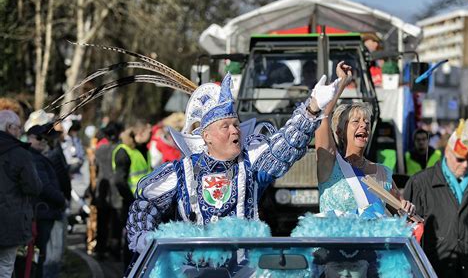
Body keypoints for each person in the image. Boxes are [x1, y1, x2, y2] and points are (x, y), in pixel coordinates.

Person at [126, 71, 337, 253]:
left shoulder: (250, 162)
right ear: (206, 136)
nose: (235, 130)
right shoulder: (182, 170)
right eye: (225, 126)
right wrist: (145, 239)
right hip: (194, 275)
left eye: (236, 124)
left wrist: (312, 108)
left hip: (247, 274)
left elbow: (285, 146)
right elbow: (145, 203)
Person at [315, 61, 414, 218]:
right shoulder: (330, 165)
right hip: (335, 242)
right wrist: (342, 82)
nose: (364, 126)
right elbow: (322, 119)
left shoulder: (382, 172)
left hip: (372, 243)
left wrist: (407, 208)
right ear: (340, 132)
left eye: (366, 122)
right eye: (356, 122)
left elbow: (402, 213)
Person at [404, 119, 468, 278]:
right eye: (461, 159)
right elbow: (407, 234)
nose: (465, 165)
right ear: (448, 153)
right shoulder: (420, 183)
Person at [0, 110, 42, 278]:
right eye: (17, 128)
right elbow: (34, 187)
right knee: (5, 268)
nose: (20, 132)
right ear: (9, 128)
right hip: (10, 221)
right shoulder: (20, 154)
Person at [27, 124, 67, 278]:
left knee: (40, 255)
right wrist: (60, 199)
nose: (44, 142)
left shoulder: (39, 157)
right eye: (40, 138)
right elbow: (43, 186)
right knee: (39, 255)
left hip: (45, 212)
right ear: (31, 138)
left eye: (46, 138)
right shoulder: (34, 158)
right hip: (42, 212)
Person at [113, 122, 151, 264]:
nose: (151, 136)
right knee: (131, 240)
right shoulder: (123, 152)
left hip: (144, 201)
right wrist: (132, 200)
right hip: (130, 202)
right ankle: (128, 273)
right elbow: (119, 181)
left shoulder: (143, 149)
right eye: (148, 133)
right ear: (139, 134)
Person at [94, 122, 123, 259]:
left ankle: (100, 249)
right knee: (116, 222)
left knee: (102, 223)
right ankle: (115, 249)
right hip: (116, 190)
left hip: (102, 190)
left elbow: (96, 168)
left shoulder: (99, 149)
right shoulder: (120, 149)